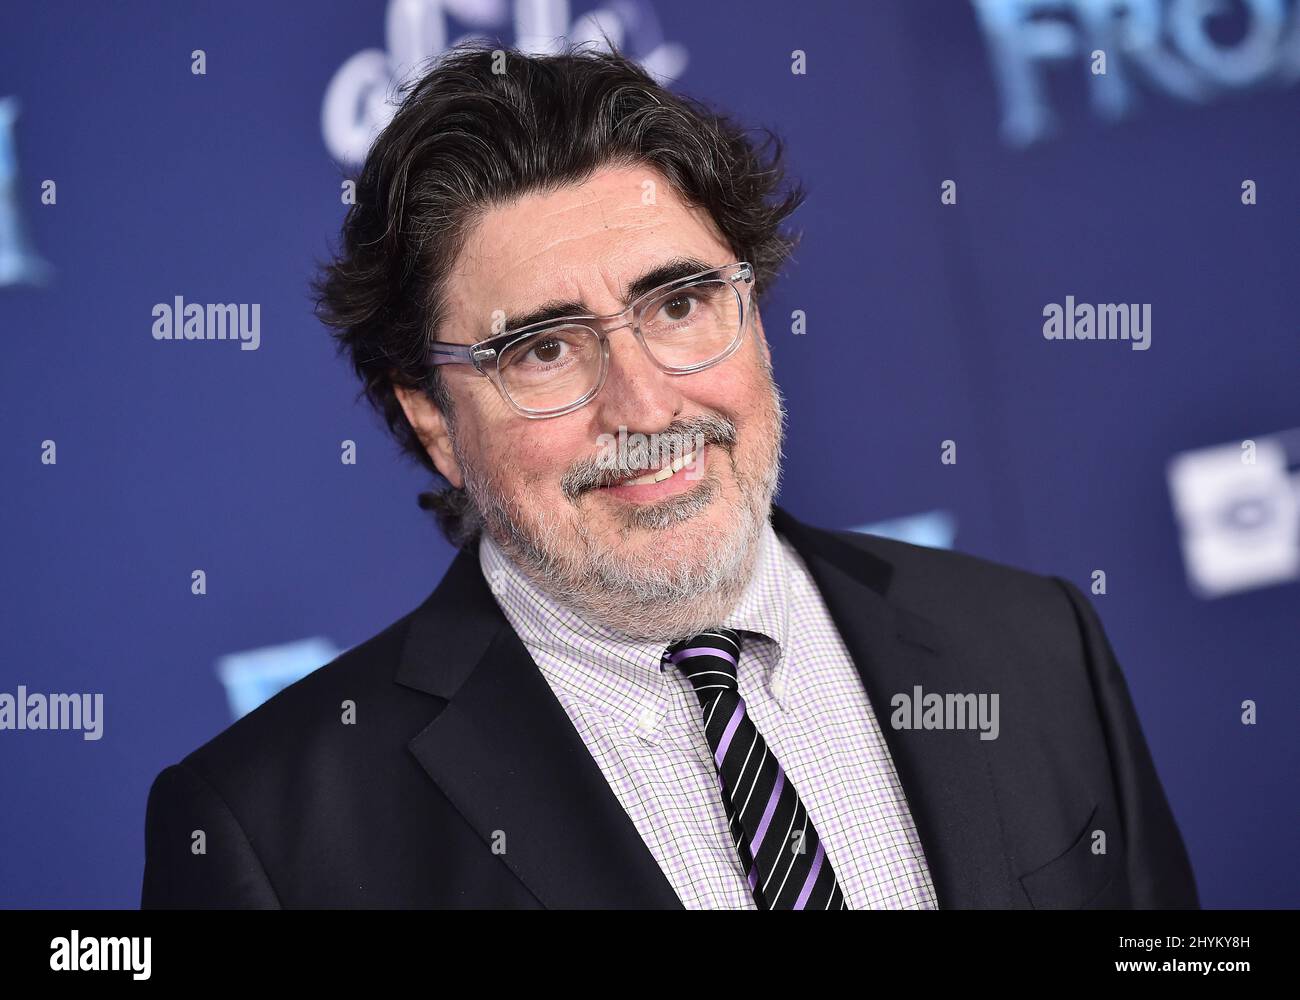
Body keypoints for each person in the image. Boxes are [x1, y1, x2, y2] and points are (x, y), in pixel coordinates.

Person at [141, 42, 1197, 909]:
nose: (646, 406)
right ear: (433, 418)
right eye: (544, 349)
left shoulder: (1031, 648)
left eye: (679, 304)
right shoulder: (278, 839)